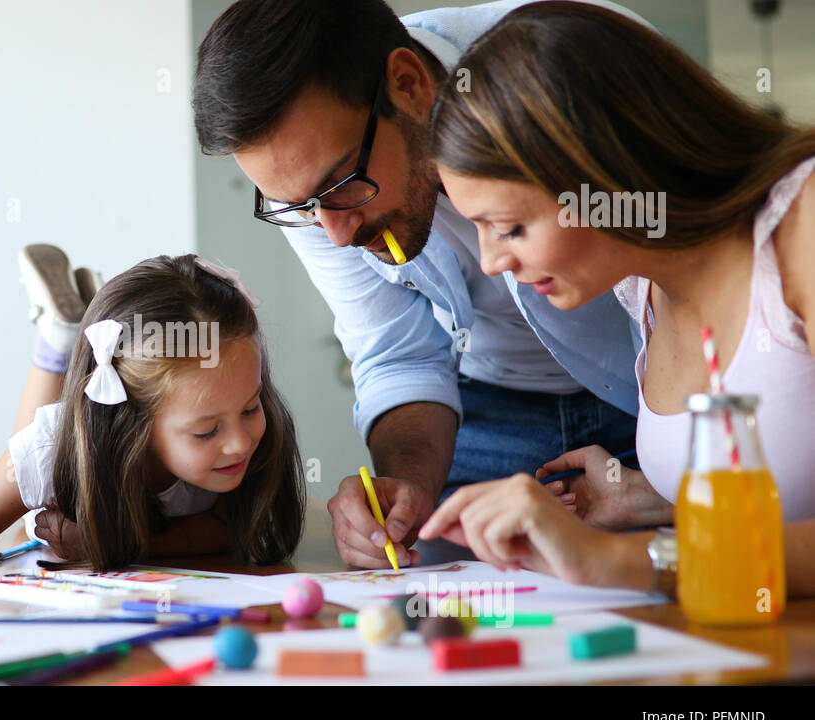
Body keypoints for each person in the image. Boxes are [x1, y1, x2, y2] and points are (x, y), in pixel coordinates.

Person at [192, 0, 651, 568]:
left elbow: (691, 285)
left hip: (654, 399)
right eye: (300, 208)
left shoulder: (585, 64)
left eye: (342, 184)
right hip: (483, 410)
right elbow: (394, 350)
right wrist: (405, 487)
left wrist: (670, 477)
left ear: (408, 83)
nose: (334, 234)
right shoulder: (316, 195)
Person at [420, 1, 815, 597]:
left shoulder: (800, 228)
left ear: (603, 175)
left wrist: (628, 561)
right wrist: (645, 499)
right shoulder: (644, 288)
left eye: (509, 226)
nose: (493, 261)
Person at [0, 253, 306, 571]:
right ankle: (57, 341)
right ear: (132, 423)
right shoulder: (51, 448)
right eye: (207, 431)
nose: (241, 441)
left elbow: (253, 530)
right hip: (69, 450)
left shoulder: (249, 436)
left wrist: (105, 543)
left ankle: (65, 337)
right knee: (40, 442)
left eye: (251, 406)